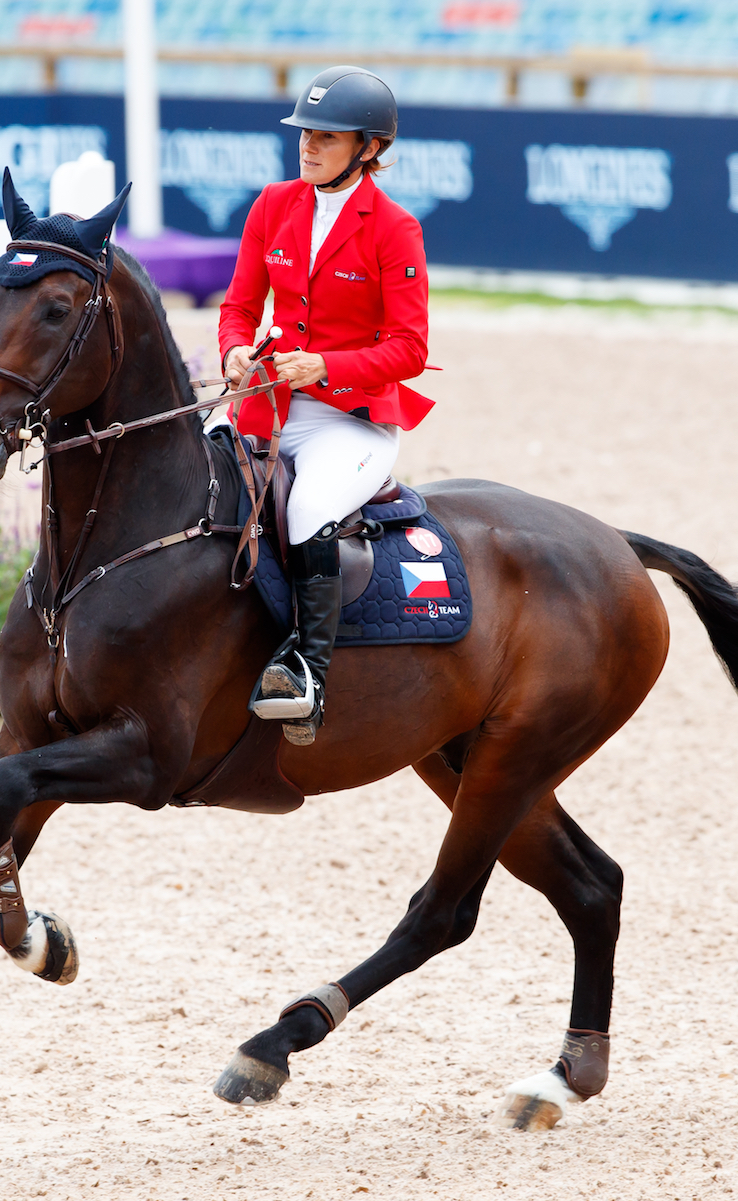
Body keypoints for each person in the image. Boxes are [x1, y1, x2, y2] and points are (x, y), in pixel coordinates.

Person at [217, 64, 434, 746]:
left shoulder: (394, 229)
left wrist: (325, 365)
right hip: (271, 406)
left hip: (353, 421)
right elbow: (241, 305)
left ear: (368, 148)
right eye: (304, 133)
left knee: (309, 508)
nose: (307, 146)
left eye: (326, 137)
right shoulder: (273, 204)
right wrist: (231, 350)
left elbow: (408, 350)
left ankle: (307, 673)